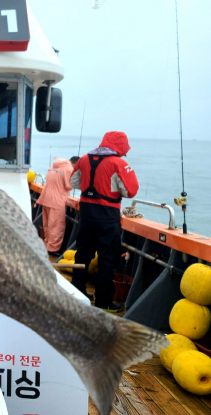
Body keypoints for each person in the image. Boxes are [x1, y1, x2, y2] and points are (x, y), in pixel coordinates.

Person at [70, 131, 138, 312]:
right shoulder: (119, 163)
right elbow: (130, 191)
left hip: (86, 213)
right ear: (120, 146)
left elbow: (74, 182)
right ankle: (104, 301)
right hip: (108, 215)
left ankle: (78, 292)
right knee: (107, 258)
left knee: (83, 254)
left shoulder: (83, 159)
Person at [36, 156, 78, 256]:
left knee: (47, 225)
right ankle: (53, 249)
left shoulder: (55, 165)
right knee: (56, 226)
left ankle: (47, 245)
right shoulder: (68, 169)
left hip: (46, 197)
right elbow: (69, 185)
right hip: (57, 200)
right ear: (76, 164)